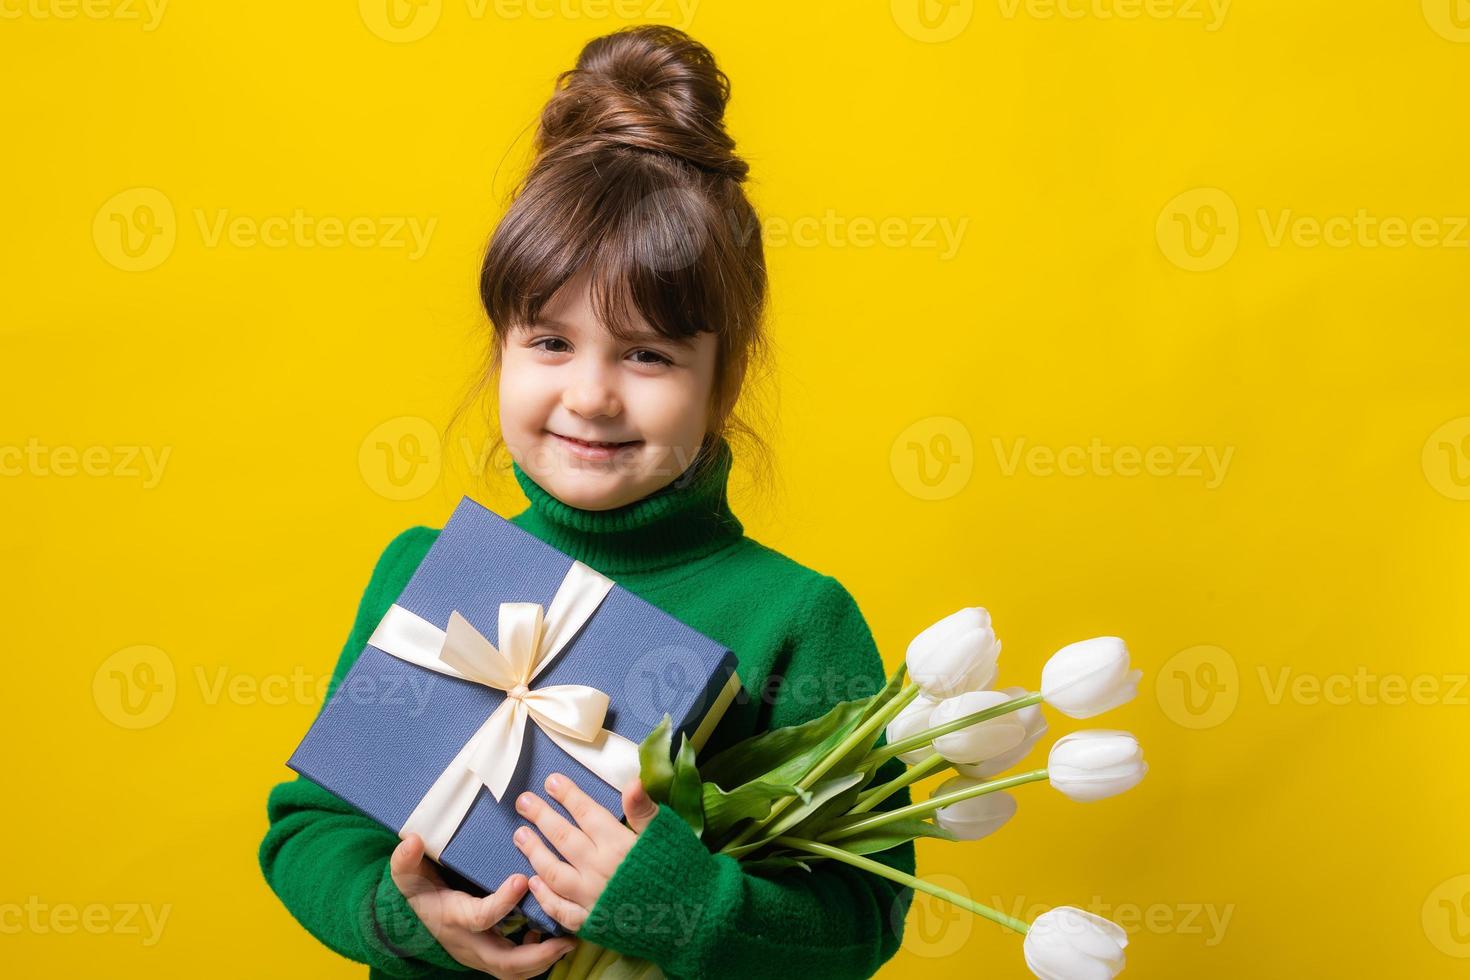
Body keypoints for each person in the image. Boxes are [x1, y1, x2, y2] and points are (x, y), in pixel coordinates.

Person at [259, 25, 915, 980]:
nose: (592, 396)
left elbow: (863, 919)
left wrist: (675, 903)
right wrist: (404, 919)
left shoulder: (797, 621)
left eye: (647, 354)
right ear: (500, 347)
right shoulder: (422, 575)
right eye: (550, 343)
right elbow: (310, 829)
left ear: (725, 380)